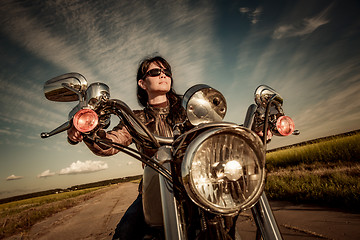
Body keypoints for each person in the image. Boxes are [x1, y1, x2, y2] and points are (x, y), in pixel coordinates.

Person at [67, 55, 186, 239]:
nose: (163, 75)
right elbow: (111, 143)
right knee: (124, 233)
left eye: (166, 71)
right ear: (142, 83)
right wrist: (89, 132)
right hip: (154, 189)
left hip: (193, 182)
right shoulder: (135, 119)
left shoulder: (188, 111)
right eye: (155, 72)